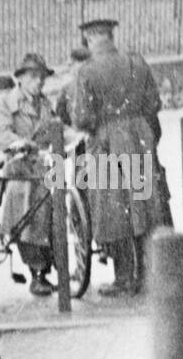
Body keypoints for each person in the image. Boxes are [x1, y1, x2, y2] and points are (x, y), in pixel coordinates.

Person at [69, 19, 168, 295]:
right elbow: (154, 103)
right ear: (111, 36)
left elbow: (81, 117)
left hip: (106, 142)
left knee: (114, 210)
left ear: (89, 39)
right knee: (143, 204)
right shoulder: (136, 62)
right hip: (139, 138)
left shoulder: (86, 72)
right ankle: (149, 274)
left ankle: (124, 278)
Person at [0, 52, 61, 296]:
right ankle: (36, 273)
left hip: (41, 165)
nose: (39, 82)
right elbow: (0, 134)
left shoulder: (45, 104)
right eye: (33, 77)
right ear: (18, 79)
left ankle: (48, 269)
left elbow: (54, 130)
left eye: (41, 77)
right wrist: (20, 143)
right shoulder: (4, 102)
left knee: (51, 209)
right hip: (17, 166)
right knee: (25, 208)